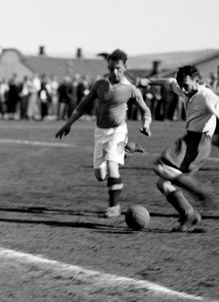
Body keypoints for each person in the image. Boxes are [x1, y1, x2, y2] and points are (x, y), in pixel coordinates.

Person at [144, 65, 219, 232]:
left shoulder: (206, 95)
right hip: (191, 141)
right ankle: (189, 214)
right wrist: (149, 81)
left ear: (197, 81)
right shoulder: (186, 89)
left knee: (160, 166)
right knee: (163, 183)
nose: (183, 89)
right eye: (181, 85)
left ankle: (199, 189)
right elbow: (169, 82)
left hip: (198, 142)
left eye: (186, 85)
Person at [55, 49, 152, 218]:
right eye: (111, 68)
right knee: (100, 176)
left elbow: (146, 110)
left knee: (112, 166)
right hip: (100, 132)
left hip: (118, 132)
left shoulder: (130, 89)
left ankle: (114, 207)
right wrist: (69, 123)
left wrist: (146, 124)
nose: (114, 72)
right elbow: (84, 104)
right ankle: (128, 149)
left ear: (125, 67)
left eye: (118, 68)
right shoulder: (100, 85)